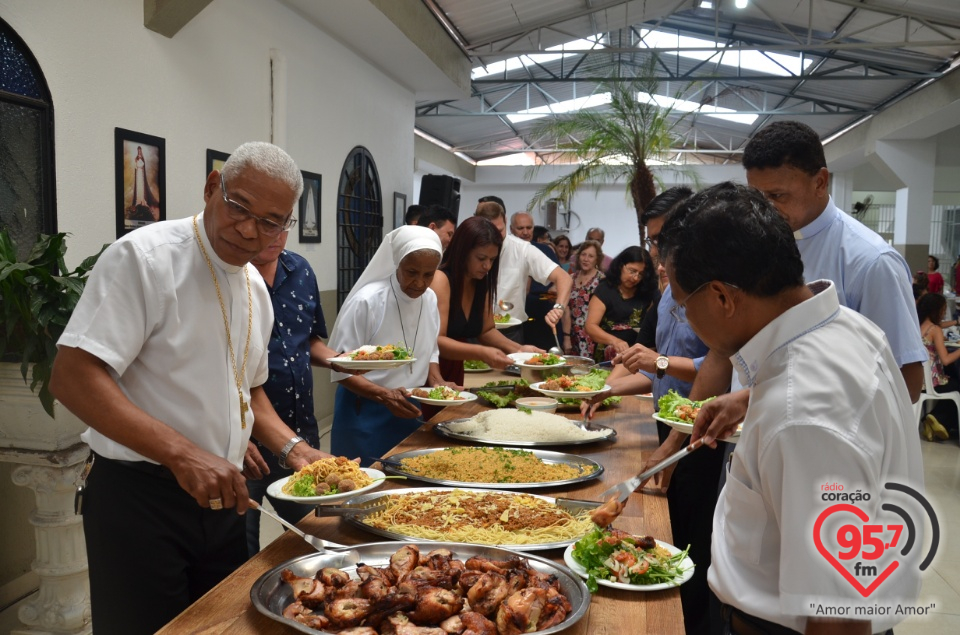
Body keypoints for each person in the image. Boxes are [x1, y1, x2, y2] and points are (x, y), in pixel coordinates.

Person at [49, 142, 334, 634]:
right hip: (141, 498)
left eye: (270, 221)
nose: (249, 230)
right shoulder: (146, 258)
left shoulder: (254, 288)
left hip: (222, 496)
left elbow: (250, 390)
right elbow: (72, 377)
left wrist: (295, 448)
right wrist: (184, 453)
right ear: (210, 188)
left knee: (220, 624)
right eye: (238, 206)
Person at [664, 182, 924, 635]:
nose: (687, 320)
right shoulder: (843, 327)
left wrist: (775, 406)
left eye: (684, 306)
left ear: (723, 297)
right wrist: (749, 398)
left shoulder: (803, 414)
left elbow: (839, 617)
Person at [691, 120, 926, 441]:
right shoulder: (750, 246)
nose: (764, 209)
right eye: (756, 196)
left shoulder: (869, 261)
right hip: (749, 441)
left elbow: (906, 383)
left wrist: (752, 399)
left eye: (777, 195)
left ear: (820, 182)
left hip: (826, 452)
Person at [584, 187, 719, 635]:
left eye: (664, 241)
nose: (658, 254)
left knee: (693, 549)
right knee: (666, 534)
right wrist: (613, 389)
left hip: (699, 437)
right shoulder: (667, 294)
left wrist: (673, 442)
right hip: (670, 433)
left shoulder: (714, 291)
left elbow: (713, 370)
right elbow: (663, 376)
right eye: (653, 242)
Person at [241, 231, 342, 557]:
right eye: (266, 223)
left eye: (284, 223)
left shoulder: (300, 270)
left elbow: (307, 341)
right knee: (243, 555)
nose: (275, 234)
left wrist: (340, 362)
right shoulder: (232, 275)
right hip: (246, 446)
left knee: (313, 540)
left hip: (300, 433)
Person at [328, 226, 450, 463]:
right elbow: (339, 369)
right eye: (412, 272)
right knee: (362, 482)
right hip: (364, 409)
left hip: (408, 406)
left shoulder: (430, 298)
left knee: (402, 483)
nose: (419, 282)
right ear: (397, 263)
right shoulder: (368, 300)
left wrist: (438, 382)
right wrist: (384, 395)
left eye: (428, 274)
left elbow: (430, 348)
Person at [431, 216, 539, 386]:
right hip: (433, 370)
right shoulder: (441, 280)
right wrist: (481, 352)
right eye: (481, 259)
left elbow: (486, 330)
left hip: (455, 369)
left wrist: (518, 350)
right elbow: (437, 340)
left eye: (492, 260)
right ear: (462, 252)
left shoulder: (480, 281)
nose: (487, 266)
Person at [474, 201, 572, 345]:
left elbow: (564, 278)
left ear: (506, 222)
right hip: (474, 329)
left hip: (510, 331)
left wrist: (558, 308)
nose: (494, 237)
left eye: (499, 231)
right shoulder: (468, 247)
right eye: (489, 231)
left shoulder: (522, 249)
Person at [585, 245, 658, 361]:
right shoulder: (605, 290)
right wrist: (615, 341)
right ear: (620, 266)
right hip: (609, 353)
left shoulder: (647, 291)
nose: (635, 278)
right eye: (632, 271)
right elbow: (590, 326)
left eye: (640, 274)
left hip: (638, 352)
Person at [916, 292, 960, 440]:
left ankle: (933, 421)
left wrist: (955, 322)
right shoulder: (935, 330)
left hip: (919, 380)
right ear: (936, 310)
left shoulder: (919, 325)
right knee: (957, 385)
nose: (943, 313)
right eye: (942, 310)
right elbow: (946, 360)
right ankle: (937, 418)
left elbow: (940, 325)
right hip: (933, 382)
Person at [561, 240, 604, 357]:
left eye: (591, 256)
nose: (586, 259)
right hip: (570, 333)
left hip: (592, 335)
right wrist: (566, 338)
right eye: (583, 254)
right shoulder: (570, 278)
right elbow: (566, 309)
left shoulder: (602, 281)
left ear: (597, 259)